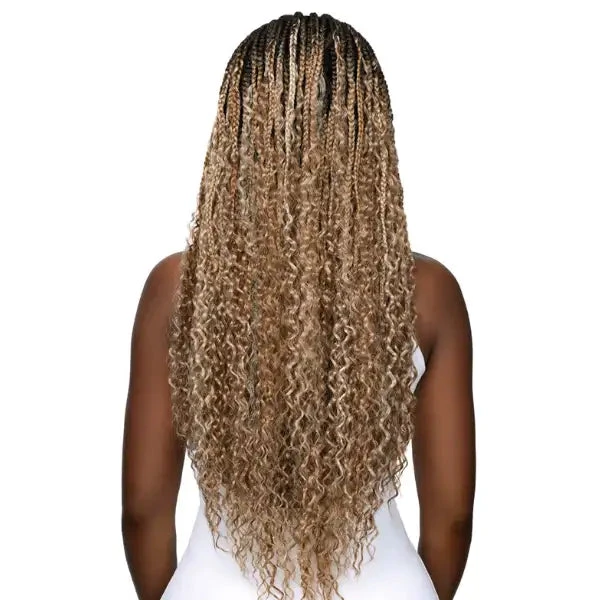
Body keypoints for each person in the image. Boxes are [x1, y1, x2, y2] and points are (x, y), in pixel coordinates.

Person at [121, 11, 475, 600]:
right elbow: (453, 519)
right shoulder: (428, 293)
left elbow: (142, 511)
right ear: (368, 135)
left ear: (239, 132)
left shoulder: (178, 286)